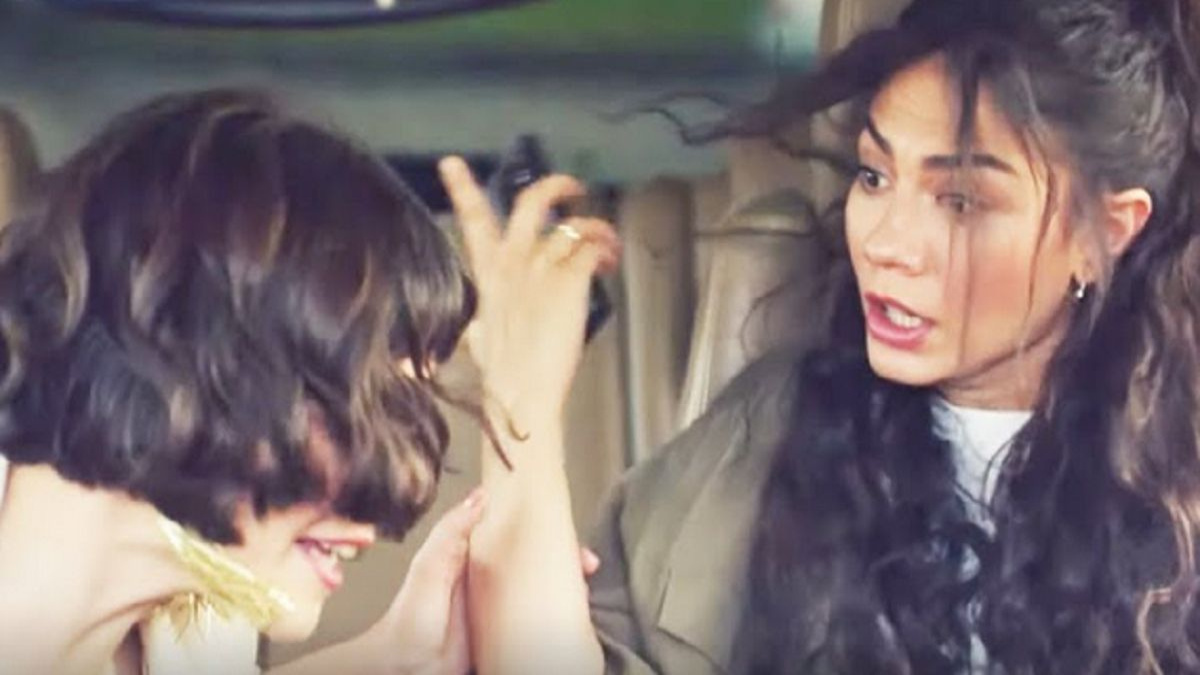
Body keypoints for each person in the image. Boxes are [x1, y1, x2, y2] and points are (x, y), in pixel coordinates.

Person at [447, 0, 1200, 672]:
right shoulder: (768, 439)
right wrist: (522, 403)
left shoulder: (1178, 488)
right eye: (874, 176)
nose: (887, 241)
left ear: (1106, 232)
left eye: (962, 201)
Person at [0, 88, 488, 675]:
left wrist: (395, 654)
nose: (405, 485)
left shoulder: (200, 636)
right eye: (365, 418)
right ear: (191, 353)